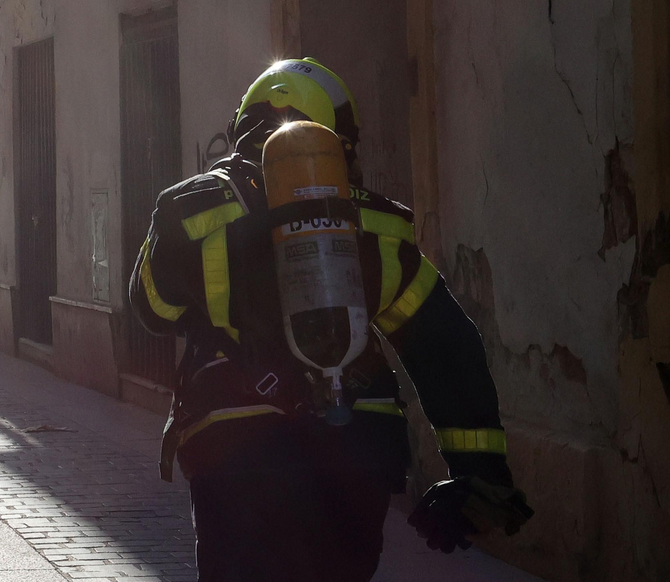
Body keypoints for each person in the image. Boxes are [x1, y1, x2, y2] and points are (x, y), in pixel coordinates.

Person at [129, 59, 531, 582]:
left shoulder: (192, 210)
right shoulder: (374, 223)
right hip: (357, 445)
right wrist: (479, 473)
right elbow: (444, 342)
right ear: (338, 136)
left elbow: (152, 311)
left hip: (233, 449)